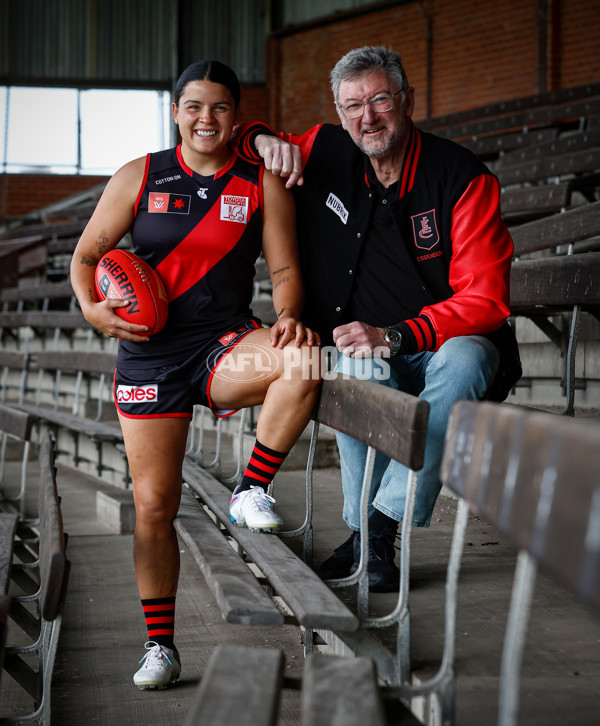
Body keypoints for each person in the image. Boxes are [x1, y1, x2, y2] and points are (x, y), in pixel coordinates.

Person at [70, 60, 321, 690]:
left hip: (223, 343)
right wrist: (93, 308)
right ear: (175, 111)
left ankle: (250, 487)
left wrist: (289, 316)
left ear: (236, 116)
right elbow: (87, 256)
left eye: (218, 108)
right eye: (192, 106)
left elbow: (285, 269)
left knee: (304, 356)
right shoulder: (140, 175)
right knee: (154, 506)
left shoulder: (260, 180)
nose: (204, 118)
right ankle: (161, 646)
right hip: (150, 355)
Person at [237, 46, 521, 592]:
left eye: (380, 99)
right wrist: (263, 140)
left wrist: (397, 333)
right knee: (355, 361)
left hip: (447, 346)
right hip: (363, 348)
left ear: (408, 101)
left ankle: (377, 528)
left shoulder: (461, 177)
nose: (367, 117)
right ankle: (370, 533)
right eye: (352, 106)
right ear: (338, 114)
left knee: (464, 357)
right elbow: (240, 144)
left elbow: (485, 299)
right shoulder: (322, 147)